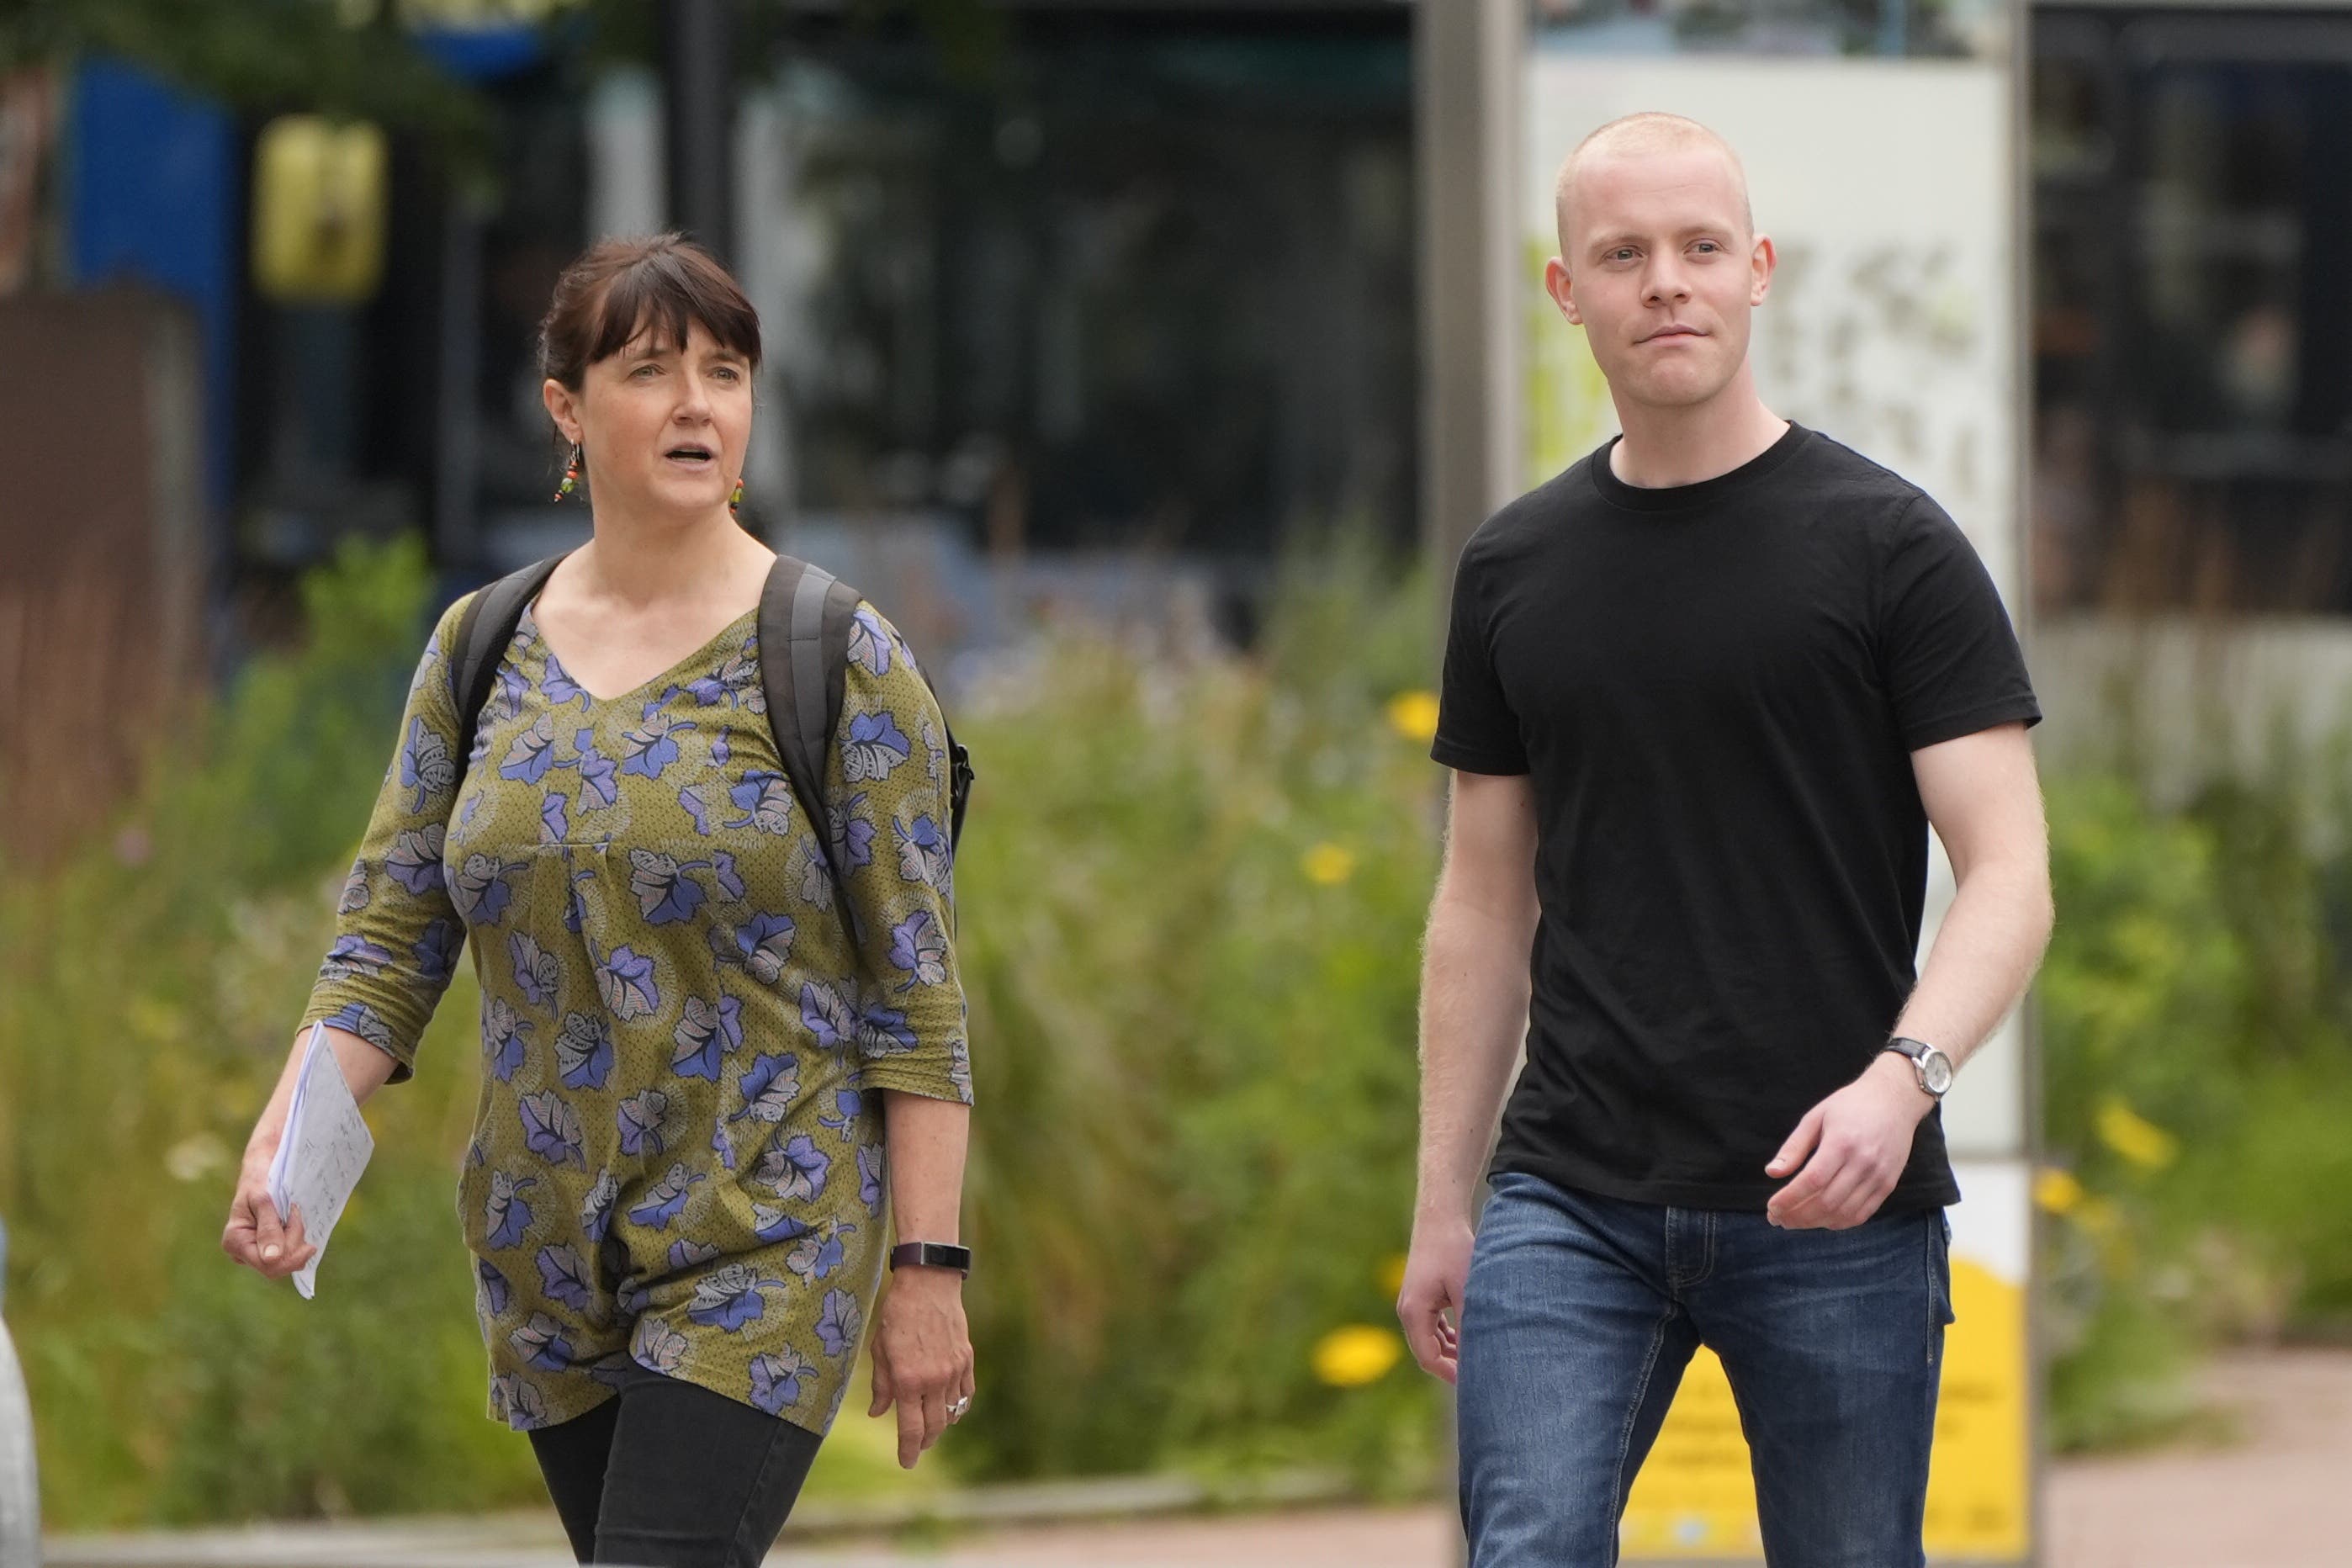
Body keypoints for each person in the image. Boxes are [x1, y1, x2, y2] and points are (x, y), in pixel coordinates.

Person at [222, 235, 977, 1568]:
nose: (696, 403)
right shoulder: (481, 645)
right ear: (567, 409)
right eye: (650, 370)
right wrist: (285, 1144)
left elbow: (917, 988)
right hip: (544, 1244)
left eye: (725, 372)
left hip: (766, 1226)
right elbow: (390, 939)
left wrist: (928, 1273)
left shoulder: (831, 652)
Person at [1397, 114, 2053, 1566]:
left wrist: (1903, 1087)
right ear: (1566, 290)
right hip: (1570, 1193)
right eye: (1622, 255)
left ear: (1757, 271)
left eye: (1700, 248)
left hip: (1836, 1200)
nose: (1666, 283)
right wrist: (1446, 1202)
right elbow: (1484, 901)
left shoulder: (1891, 547)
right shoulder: (1513, 569)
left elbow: (2008, 871)